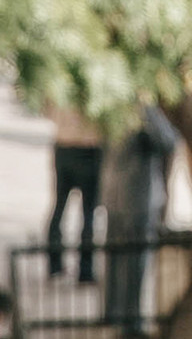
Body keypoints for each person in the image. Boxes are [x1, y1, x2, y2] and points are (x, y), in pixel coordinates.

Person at [103, 105, 178, 336]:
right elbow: (168, 141)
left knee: (116, 258)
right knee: (135, 263)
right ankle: (130, 323)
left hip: (114, 193)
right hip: (137, 196)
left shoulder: (112, 104)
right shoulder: (143, 108)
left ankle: (113, 314)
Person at [45, 106, 103, 284]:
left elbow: (47, 110)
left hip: (64, 146)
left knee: (60, 208)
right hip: (88, 147)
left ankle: (55, 266)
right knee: (87, 213)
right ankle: (85, 270)